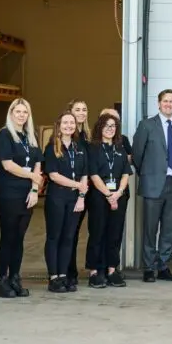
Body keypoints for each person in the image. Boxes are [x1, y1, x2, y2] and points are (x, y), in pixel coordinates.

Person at [132, 89, 172, 282]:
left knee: (168, 229)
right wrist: (148, 175)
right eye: (165, 101)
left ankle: (163, 265)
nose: (168, 104)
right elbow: (137, 154)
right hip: (153, 185)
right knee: (150, 229)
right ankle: (148, 267)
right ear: (158, 103)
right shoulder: (147, 125)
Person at [0, 98, 43, 298]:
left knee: (19, 237)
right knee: (9, 235)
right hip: (9, 192)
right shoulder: (4, 135)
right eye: (18, 112)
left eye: (25, 112)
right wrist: (32, 176)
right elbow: (8, 165)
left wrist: (34, 189)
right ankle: (2, 280)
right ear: (11, 113)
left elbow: (38, 162)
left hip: (27, 193)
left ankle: (15, 277)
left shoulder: (30, 136)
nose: (21, 115)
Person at [44, 111, 89, 293]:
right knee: (55, 236)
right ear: (59, 125)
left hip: (75, 199)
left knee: (68, 237)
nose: (69, 126)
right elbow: (54, 175)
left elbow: (85, 173)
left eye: (72, 123)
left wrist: (81, 197)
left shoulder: (79, 147)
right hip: (57, 197)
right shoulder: (52, 148)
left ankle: (63, 275)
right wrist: (78, 185)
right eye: (65, 123)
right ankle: (53, 277)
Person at [85, 112, 131, 288]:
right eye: (106, 126)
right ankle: (95, 271)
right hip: (99, 196)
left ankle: (112, 269)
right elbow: (94, 175)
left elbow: (126, 173)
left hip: (119, 196)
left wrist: (118, 192)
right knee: (97, 232)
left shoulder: (120, 148)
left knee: (115, 233)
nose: (110, 129)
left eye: (113, 126)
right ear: (100, 127)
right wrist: (108, 195)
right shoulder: (93, 148)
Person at [66, 99, 90, 286]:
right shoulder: (67, 135)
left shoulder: (87, 136)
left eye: (84, 110)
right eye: (77, 109)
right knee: (69, 232)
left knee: (75, 232)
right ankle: (66, 271)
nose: (81, 112)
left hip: (86, 189)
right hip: (70, 189)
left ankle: (71, 269)